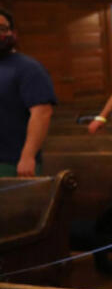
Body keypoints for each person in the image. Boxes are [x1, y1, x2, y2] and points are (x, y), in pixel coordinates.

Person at [0, 9, 57, 178]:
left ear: (12, 33)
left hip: (12, 162)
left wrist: (28, 156)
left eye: (2, 28)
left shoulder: (28, 68)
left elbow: (42, 113)